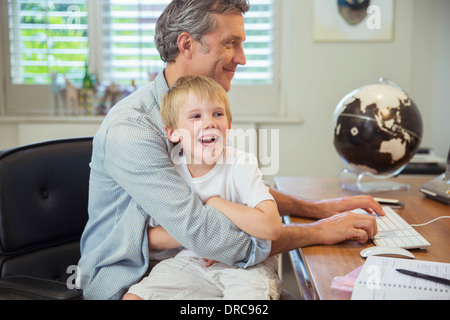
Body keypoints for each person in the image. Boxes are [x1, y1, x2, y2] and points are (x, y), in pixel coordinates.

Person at [77, 0, 384, 300]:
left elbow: (232, 187)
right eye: (231, 43)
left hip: (197, 262)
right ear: (187, 45)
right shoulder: (133, 129)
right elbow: (205, 232)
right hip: (135, 276)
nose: (242, 58)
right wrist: (317, 232)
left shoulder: (199, 109)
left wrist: (321, 208)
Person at [124, 75, 283, 300]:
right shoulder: (168, 169)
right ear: (173, 132)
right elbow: (150, 239)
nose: (209, 122)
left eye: (217, 114)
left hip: (244, 264)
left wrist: (214, 203)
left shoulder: (240, 164)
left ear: (228, 125)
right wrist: (205, 237)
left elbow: (271, 227)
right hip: (190, 261)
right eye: (196, 116)